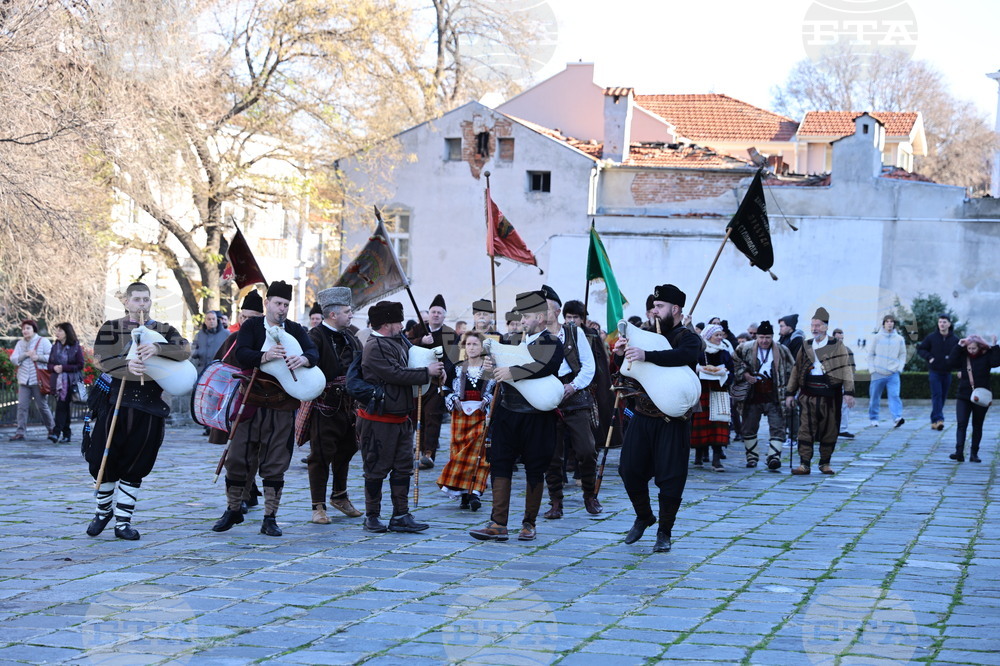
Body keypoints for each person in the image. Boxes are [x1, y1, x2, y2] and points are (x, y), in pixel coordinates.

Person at [212, 280, 319, 537]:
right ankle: (233, 509)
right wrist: (265, 356)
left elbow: (313, 353)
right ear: (267, 303)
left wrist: (303, 358)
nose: (282, 309)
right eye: (277, 303)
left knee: (276, 461)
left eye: (285, 304)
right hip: (251, 402)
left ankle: (270, 517)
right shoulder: (251, 327)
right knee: (237, 457)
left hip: (282, 406)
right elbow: (241, 355)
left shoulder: (294, 329)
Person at [84, 282, 191, 539]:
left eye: (146, 300)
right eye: (137, 300)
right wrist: (127, 366)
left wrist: (158, 348)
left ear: (150, 302)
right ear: (127, 302)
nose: (142, 304)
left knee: (136, 464)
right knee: (103, 460)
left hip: (149, 408)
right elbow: (100, 359)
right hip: (114, 406)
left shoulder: (164, 330)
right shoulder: (111, 327)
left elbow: (185, 348)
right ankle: (102, 512)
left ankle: (123, 522)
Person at [469, 290, 563, 542]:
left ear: (542, 318)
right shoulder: (510, 341)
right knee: (500, 463)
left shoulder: (552, 342)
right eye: (522, 315)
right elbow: (495, 375)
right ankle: (498, 523)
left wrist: (512, 371)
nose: (522, 320)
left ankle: (529, 523)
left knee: (535, 466)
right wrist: (489, 368)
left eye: (528, 316)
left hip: (537, 417)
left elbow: (546, 366)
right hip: (507, 413)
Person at [614, 283, 701, 553]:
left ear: (675, 309)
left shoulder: (688, 337)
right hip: (642, 413)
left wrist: (646, 355)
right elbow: (628, 370)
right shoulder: (645, 335)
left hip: (672, 420)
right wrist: (620, 355)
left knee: (671, 477)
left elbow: (684, 356)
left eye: (660, 306)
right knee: (628, 469)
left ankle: (664, 532)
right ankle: (644, 515)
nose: (654, 310)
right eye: (653, 306)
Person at [358, 300, 444, 533]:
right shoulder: (374, 346)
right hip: (378, 420)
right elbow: (394, 373)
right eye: (397, 321)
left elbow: (412, 362)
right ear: (386, 324)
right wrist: (426, 372)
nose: (401, 326)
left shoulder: (397, 341)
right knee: (375, 468)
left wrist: (435, 371)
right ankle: (372, 516)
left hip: (401, 418)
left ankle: (400, 515)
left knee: (403, 468)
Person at [539, 288, 602, 519]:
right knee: (551, 455)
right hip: (546, 397)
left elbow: (589, 366)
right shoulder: (534, 337)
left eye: (545, 307)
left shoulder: (574, 333)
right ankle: (556, 502)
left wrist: (573, 386)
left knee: (586, 450)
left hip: (575, 395)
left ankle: (590, 495)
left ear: (556, 310)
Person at [306, 287, 363, 524]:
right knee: (320, 455)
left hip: (348, 405)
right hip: (324, 406)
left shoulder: (350, 336)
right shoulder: (315, 336)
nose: (351, 315)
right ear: (333, 315)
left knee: (348, 448)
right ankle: (317, 506)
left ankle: (340, 496)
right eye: (348, 312)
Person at [785, 307, 856, 475]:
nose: (814, 328)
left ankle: (825, 463)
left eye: (818, 325)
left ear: (826, 326)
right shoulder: (806, 345)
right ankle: (804, 464)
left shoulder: (837, 345)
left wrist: (849, 392)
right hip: (808, 394)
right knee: (805, 430)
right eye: (812, 325)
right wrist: (790, 393)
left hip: (830, 395)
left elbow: (846, 369)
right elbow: (797, 369)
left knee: (829, 429)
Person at [438, 331, 496, 511]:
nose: (471, 347)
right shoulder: (456, 367)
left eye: (475, 344)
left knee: (480, 453)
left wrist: (487, 400)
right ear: (464, 347)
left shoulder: (489, 369)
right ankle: (463, 492)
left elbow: (496, 390)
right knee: (460, 452)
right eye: (468, 344)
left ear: (482, 348)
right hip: (460, 415)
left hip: (481, 415)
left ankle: (475, 493)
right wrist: (452, 398)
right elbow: (444, 387)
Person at [733, 321, 794, 470]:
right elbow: (734, 362)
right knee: (748, 427)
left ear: (772, 337)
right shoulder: (745, 348)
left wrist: (790, 393)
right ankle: (752, 457)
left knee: (778, 427)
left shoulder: (782, 350)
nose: (764, 341)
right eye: (761, 337)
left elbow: (792, 371)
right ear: (757, 337)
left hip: (775, 395)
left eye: (767, 337)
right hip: (752, 395)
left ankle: (773, 457)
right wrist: (745, 374)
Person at [408, 294, 459, 469]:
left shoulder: (450, 334)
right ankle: (417, 450)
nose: (436, 315)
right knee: (417, 416)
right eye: (433, 312)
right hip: (417, 380)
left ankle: (429, 453)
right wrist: (420, 341)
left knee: (432, 416)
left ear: (444, 316)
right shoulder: (417, 329)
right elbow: (406, 345)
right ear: (428, 314)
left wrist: (444, 371)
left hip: (437, 382)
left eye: (439, 313)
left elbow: (454, 358)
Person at [946, 335, 1000, 463]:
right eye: (969, 348)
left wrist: (995, 345)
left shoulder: (986, 355)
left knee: (977, 425)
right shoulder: (964, 355)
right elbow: (950, 362)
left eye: (974, 348)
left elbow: (996, 362)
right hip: (964, 394)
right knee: (961, 423)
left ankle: (974, 453)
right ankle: (959, 452)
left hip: (981, 395)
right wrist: (959, 346)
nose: (971, 350)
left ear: (979, 347)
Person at [691, 324, 734, 471]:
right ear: (708, 336)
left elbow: (731, 370)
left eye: (721, 335)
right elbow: (692, 368)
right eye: (717, 335)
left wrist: (725, 374)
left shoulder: (724, 352)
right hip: (703, 391)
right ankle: (699, 456)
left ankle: (716, 460)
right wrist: (699, 369)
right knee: (701, 424)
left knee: (719, 423)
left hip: (719, 391)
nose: (720, 338)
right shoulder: (700, 351)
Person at [9, 319, 57, 442]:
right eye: (23, 329)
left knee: (42, 406)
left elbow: (52, 357)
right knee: (22, 407)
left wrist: (38, 357)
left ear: (33, 329)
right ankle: (20, 432)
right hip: (24, 380)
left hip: (38, 380)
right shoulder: (20, 344)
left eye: (28, 328)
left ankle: (52, 429)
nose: (25, 331)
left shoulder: (43, 341)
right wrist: (26, 354)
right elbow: (13, 359)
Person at [917, 314, 960, 431]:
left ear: (949, 324)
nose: (942, 324)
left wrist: (959, 368)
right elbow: (921, 349)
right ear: (938, 324)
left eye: (944, 322)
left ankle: (934, 420)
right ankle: (939, 420)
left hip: (947, 372)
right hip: (934, 371)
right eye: (940, 322)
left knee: (942, 397)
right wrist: (929, 357)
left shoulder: (955, 339)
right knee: (937, 394)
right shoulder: (931, 337)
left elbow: (959, 355)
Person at [867, 314, 907, 428]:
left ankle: (897, 418)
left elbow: (902, 354)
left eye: (892, 321)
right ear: (884, 323)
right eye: (887, 321)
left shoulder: (899, 339)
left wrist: (899, 368)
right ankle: (874, 418)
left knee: (894, 395)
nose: (890, 323)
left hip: (893, 374)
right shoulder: (877, 338)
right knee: (875, 397)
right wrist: (872, 370)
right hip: (877, 373)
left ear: (894, 324)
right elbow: (870, 354)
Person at [50, 322, 86, 443]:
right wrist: (54, 368)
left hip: (71, 382)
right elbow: (50, 364)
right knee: (63, 407)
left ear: (67, 332)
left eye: (60, 330)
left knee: (62, 406)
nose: (57, 333)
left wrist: (64, 368)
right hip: (58, 382)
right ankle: (66, 434)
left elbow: (80, 364)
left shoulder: (75, 346)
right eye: (57, 331)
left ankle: (56, 433)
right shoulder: (55, 346)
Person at [832, 328, 857, 439]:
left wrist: (850, 388)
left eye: (841, 338)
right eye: (838, 338)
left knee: (844, 406)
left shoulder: (848, 351)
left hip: (843, 382)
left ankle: (842, 429)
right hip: (831, 382)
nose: (840, 341)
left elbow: (852, 369)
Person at [191, 311, 229, 379]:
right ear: (205, 321)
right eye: (209, 319)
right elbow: (193, 352)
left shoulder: (226, 334)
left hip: (219, 372)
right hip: (202, 371)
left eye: (213, 319)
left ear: (217, 320)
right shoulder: (199, 335)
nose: (211, 321)